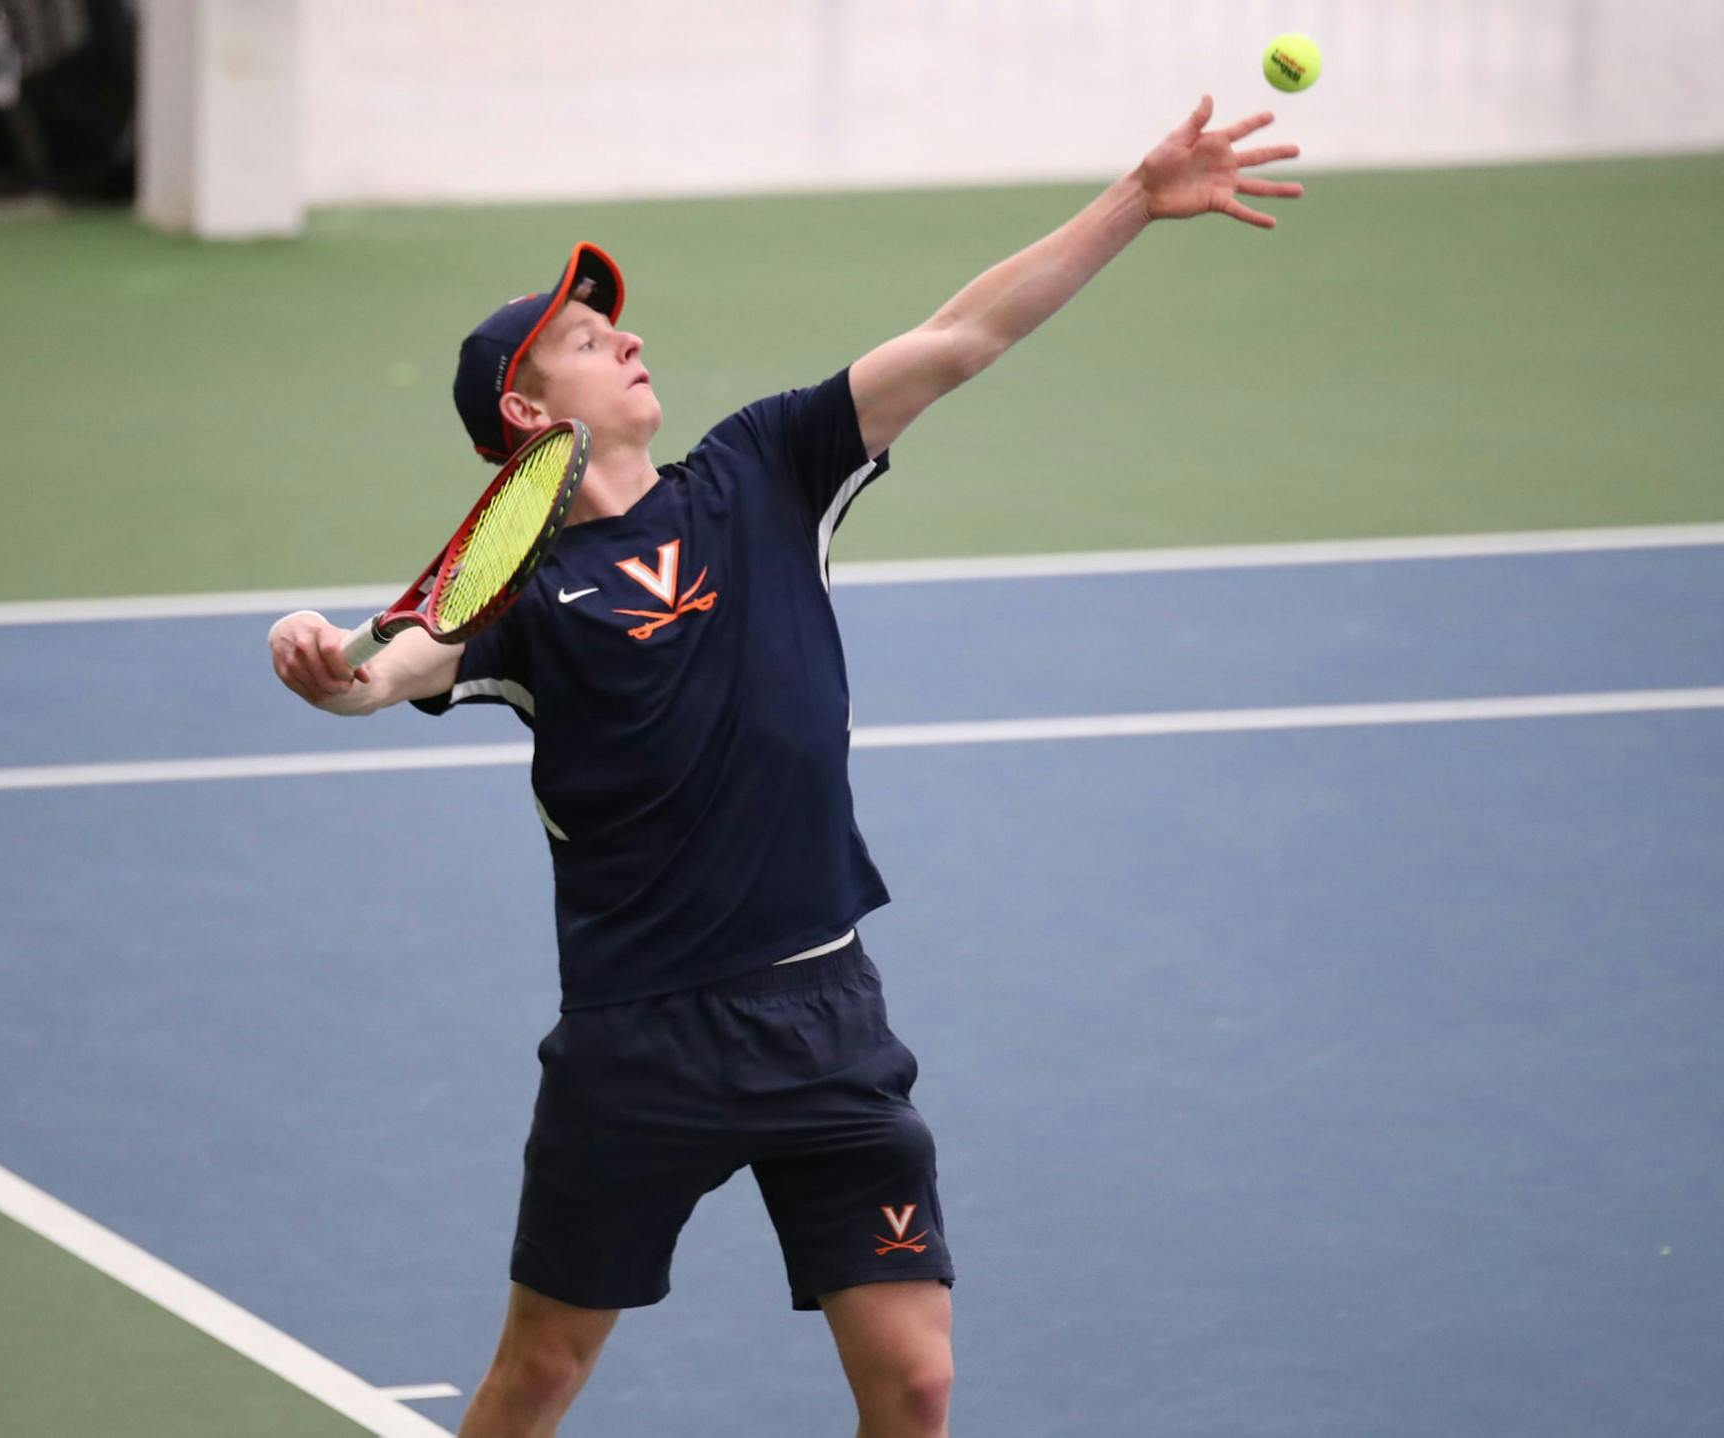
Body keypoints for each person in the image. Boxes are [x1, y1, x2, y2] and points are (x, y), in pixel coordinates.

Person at [270, 96, 1300, 1438]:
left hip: (822, 1010)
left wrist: (1135, 197)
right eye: (589, 339)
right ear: (525, 407)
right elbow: (397, 662)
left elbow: (959, 338)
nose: (631, 338)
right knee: (537, 1375)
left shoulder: (765, 466)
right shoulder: (514, 585)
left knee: (917, 1379)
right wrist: (334, 668)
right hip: (640, 1037)